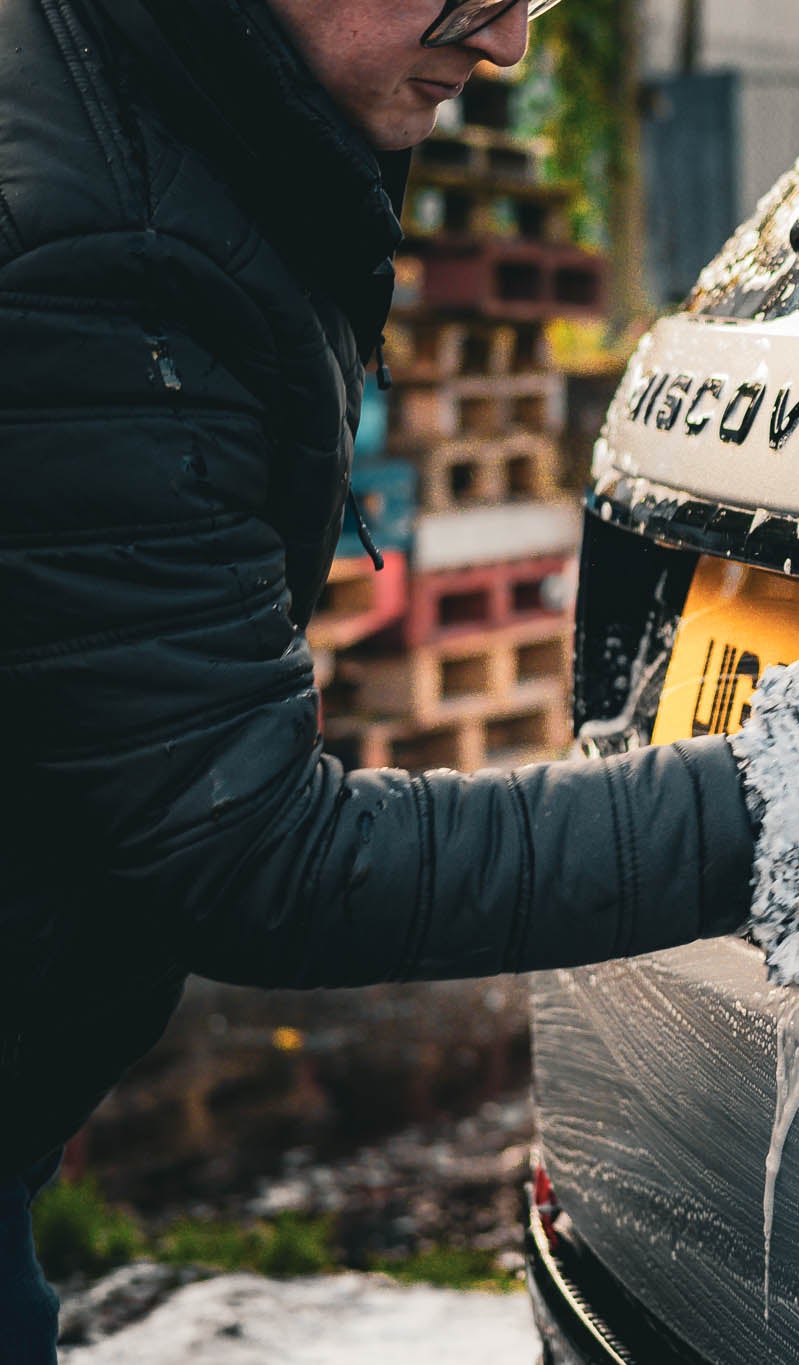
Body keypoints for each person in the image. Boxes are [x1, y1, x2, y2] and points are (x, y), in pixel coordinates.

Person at [0, 0, 751, 1354]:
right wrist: (788, 805)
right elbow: (254, 854)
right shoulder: (100, 243)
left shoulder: (131, 105)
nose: (512, 40)